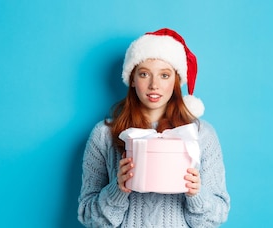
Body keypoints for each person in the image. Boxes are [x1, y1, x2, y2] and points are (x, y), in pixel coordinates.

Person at [77, 28, 230, 227]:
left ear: (176, 81)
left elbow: (214, 219)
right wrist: (118, 189)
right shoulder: (103, 134)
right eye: (144, 74)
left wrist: (196, 194)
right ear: (132, 79)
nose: (154, 85)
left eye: (164, 75)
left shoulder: (201, 135)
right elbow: (88, 217)